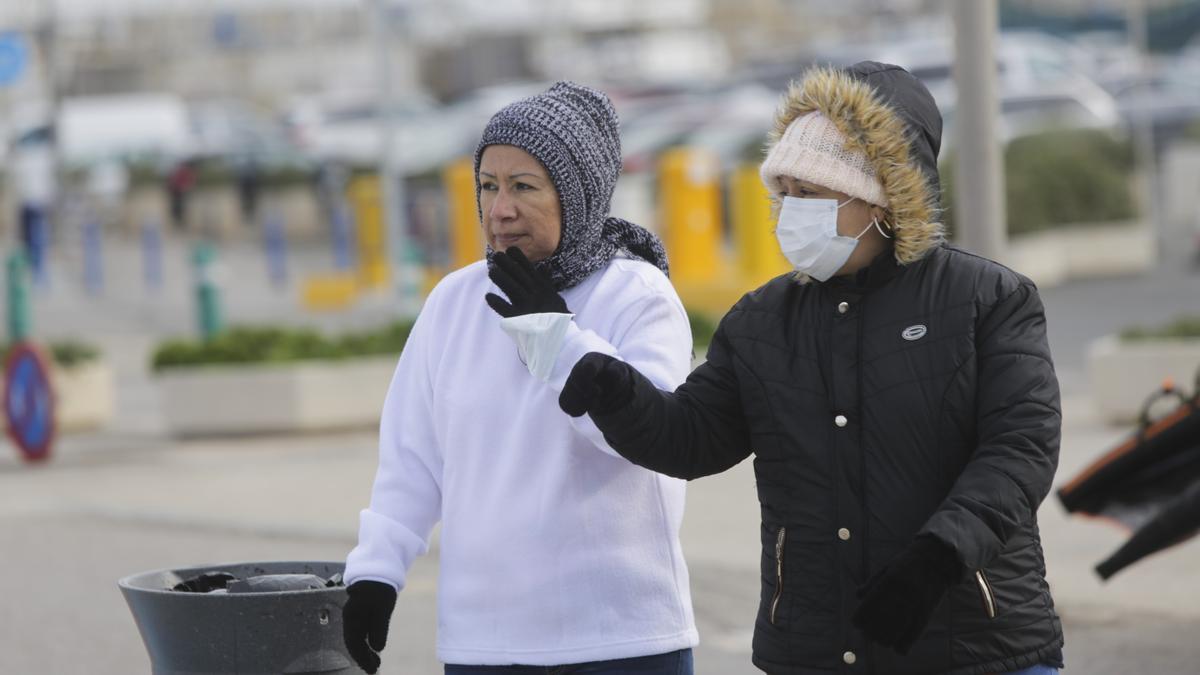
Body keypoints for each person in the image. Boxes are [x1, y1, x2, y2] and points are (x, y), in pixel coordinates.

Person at [557, 62, 1065, 675]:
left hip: (978, 648)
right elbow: (692, 439)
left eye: (813, 194)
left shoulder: (988, 299)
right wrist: (619, 393)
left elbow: (1021, 448)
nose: (790, 212)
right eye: (785, 193)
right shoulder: (761, 321)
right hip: (816, 650)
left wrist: (939, 555)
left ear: (883, 195)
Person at [341, 82, 698, 675]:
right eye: (488, 186)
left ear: (576, 194)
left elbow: (644, 441)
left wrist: (555, 336)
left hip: (618, 639)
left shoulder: (636, 295)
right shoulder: (455, 301)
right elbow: (411, 460)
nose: (499, 210)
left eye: (524, 187)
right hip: (483, 642)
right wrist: (376, 574)